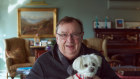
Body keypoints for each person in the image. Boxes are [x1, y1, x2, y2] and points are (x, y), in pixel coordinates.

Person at [26, 16, 120, 79]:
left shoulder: (96, 58)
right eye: (63, 35)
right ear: (57, 38)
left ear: (81, 36)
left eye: (74, 34)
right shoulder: (43, 62)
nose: (69, 40)